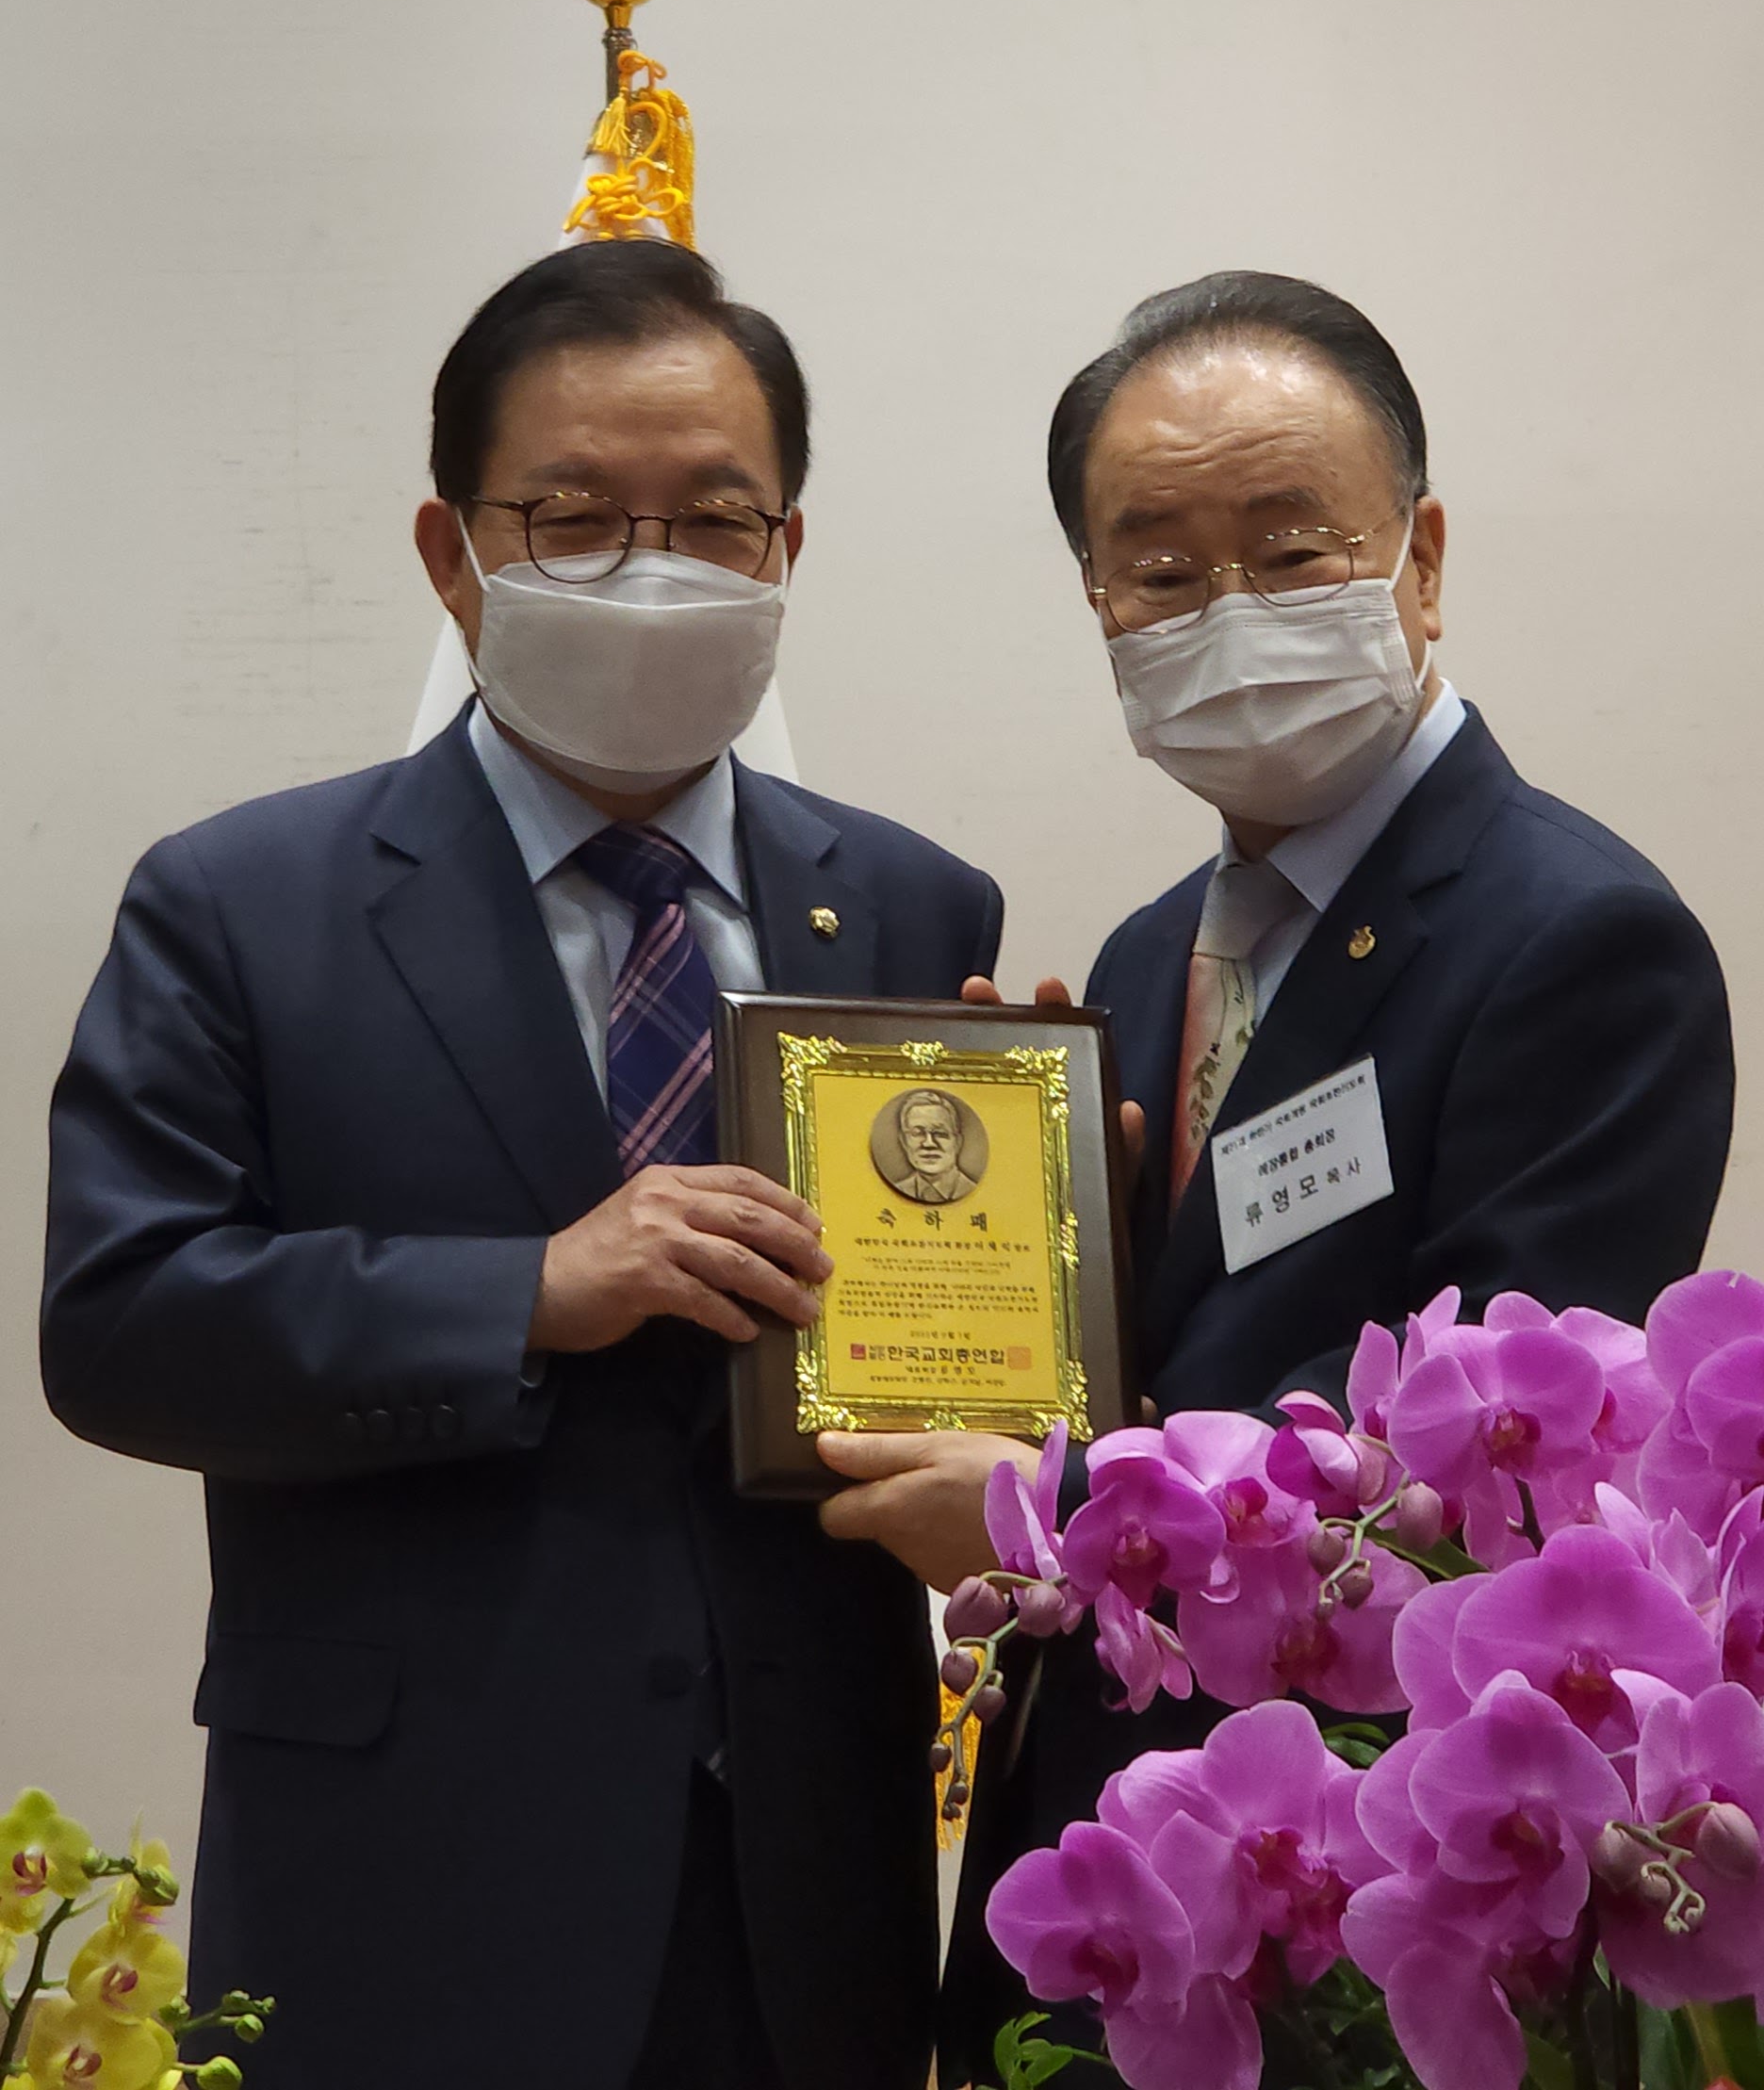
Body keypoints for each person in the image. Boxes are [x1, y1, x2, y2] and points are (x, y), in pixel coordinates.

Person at [41, 239, 1004, 2090]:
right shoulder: (241, 907)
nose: (650, 568)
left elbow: (922, 1334)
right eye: (570, 519)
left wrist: (1069, 1247)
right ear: (450, 553)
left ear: (786, 551)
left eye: (713, 519)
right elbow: (121, 1326)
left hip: (797, 1877)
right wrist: (529, 1293)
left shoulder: (906, 901)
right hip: (405, 1872)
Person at [808, 271, 1736, 2084]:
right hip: (1117, 1846)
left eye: (1292, 547)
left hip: (1363, 1896)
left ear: (1420, 559)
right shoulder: (1154, 948)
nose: (1225, 610)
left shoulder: (1581, 936)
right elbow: (1188, 1346)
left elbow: (1490, 1481)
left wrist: (1058, 1508)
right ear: (1097, 604)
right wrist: (1037, 1247)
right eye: (1159, 568)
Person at [894, 1089, 982, 1203]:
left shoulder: (978, 1192)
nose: (929, 1144)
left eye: (940, 1133)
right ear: (904, 1142)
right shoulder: (895, 1191)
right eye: (918, 1133)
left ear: (957, 1142)